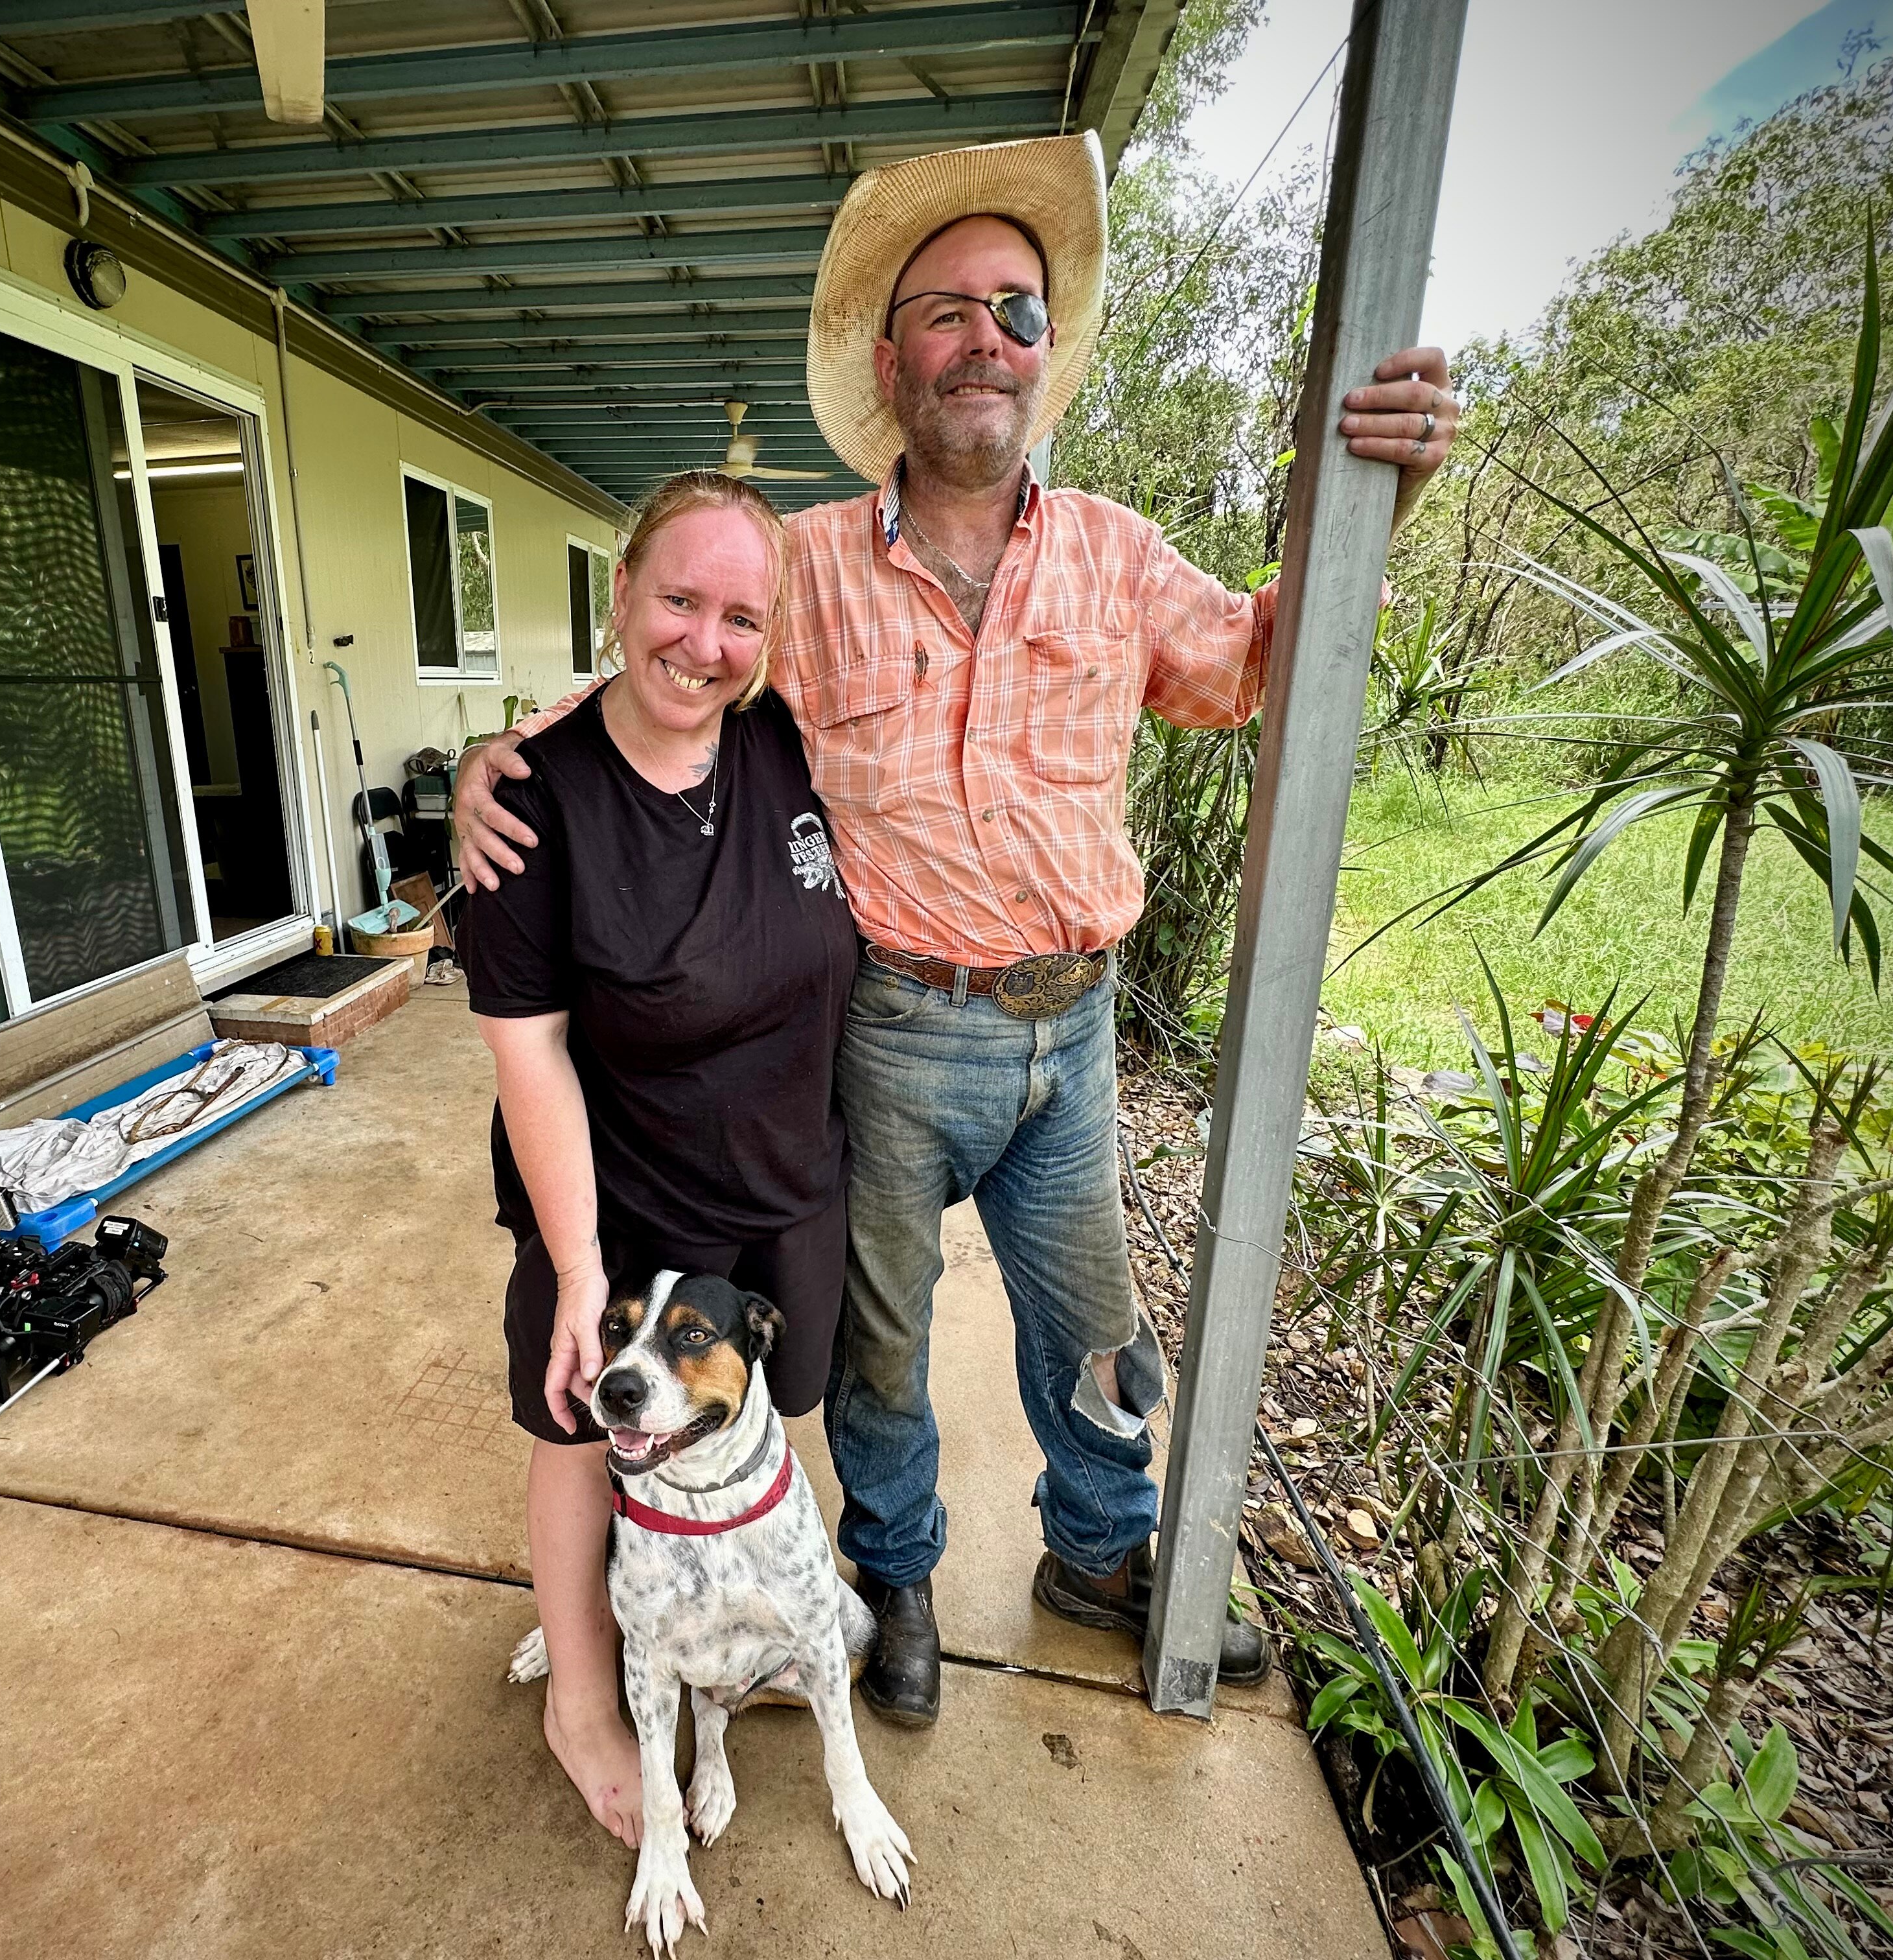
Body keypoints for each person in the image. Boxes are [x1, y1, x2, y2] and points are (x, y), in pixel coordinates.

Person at [456, 132, 1460, 1726]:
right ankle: (898, 1575)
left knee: (1098, 1331)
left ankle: (1101, 1550)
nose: (985, 336)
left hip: (1078, 1023)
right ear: (892, 358)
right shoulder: (804, 573)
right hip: (900, 1028)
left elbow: (1259, 663)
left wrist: (1373, 512)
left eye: (1018, 308)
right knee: (879, 1346)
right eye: (947, 311)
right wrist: (494, 757)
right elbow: (672, 675)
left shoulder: (1123, 558)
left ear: (1044, 356)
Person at [459, 470, 859, 1843]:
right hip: (618, 1200)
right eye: (678, 599)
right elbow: (530, 1054)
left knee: (741, 1424)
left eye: (741, 616)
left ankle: (701, 1626)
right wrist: (579, 1269)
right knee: (582, 1429)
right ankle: (585, 1694)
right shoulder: (534, 804)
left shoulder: (786, 742)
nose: (705, 642)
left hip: (784, 1183)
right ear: (620, 594)